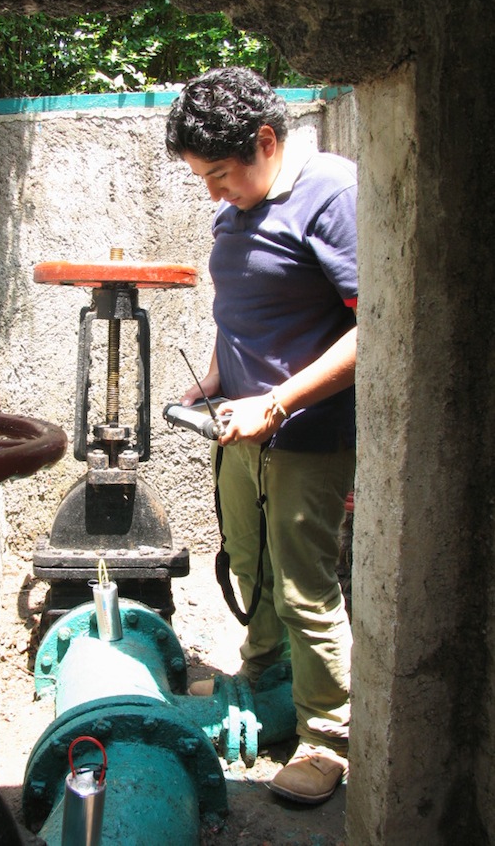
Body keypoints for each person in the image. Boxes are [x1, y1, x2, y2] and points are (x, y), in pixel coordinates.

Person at [165, 66, 357, 805]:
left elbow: (377, 325)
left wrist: (275, 404)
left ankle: (327, 739)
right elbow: (236, 305)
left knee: (307, 587)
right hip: (239, 428)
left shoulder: (332, 192)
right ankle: (268, 679)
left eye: (219, 174)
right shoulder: (234, 208)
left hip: (306, 433)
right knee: (251, 566)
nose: (212, 191)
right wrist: (212, 380)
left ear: (267, 141)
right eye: (201, 178)